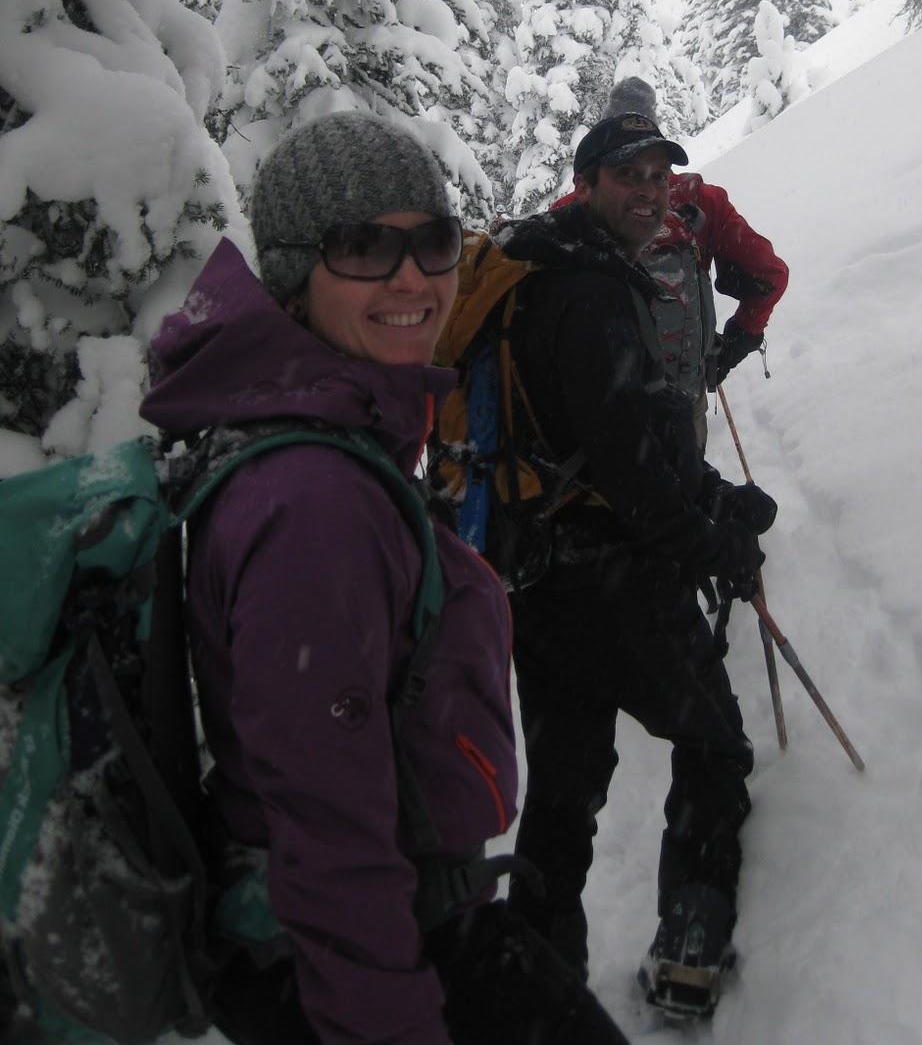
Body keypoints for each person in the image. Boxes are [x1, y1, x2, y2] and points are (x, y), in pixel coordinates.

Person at [139, 111, 629, 1045]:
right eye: (364, 247)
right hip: (383, 962)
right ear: (294, 273)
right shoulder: (313, 501)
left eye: (433, 241)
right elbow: (326, 836)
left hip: (400, 933)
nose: (412, 278)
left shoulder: (329, 438)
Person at [496, 109, 777, 1018]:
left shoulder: (548, 272)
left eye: (660, 175)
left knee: (566, 786)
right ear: (587, 185)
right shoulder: (588, 294)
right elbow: (635, 476)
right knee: (712, 744)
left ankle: (538, 983)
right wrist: (719, 540)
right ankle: (689, 947)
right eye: (629, 177)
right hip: (612, 578)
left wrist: (715, 493)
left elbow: (626, 431)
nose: (650, 191)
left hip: (536, 576)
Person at [565, 77, 788, 447]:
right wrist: (738, 338)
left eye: (655, 174)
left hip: (597, 423)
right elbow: (770, 276)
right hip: (682, 408)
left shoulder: (573, 212)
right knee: (686, 491)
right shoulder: (700, 202)